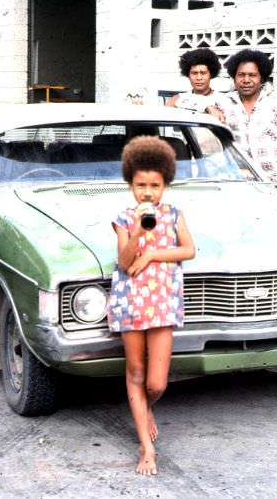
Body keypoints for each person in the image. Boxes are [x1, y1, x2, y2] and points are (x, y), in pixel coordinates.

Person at [108, 136, 196, 475]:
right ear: (131, 184)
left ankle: (146, 408)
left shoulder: (174, 214)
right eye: (141, 185)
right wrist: (138, 232)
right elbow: (125, 262)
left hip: (162, 303)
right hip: (131, 302)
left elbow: (188, 250)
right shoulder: (124, 217)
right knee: (136, 372)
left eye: (155, 186)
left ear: (165, 185)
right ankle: (146, 448)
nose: (147, 192)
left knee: (157, 383)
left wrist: (155, 253)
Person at [178, 48, 277, 183]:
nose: (246, 80)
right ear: (234, 77)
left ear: (261, 78)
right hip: (239, 178)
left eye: (252, 75)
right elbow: (182, 100)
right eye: (241, 75)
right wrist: (208, 107)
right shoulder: (223, 101)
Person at [165, 48, 224, 122]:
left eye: (203, 73)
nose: (199, 78)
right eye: (194, 73)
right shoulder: (177, 99)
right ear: (188, 75)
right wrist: (205, 107)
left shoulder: (223, 99)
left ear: (211, 74)